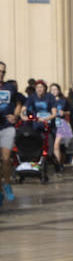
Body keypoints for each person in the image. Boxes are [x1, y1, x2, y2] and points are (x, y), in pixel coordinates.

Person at [0, 61, 23, 201]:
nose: (1, 74)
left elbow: (19, 103)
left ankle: (7, 183)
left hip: (7, 127)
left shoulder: (10, 87)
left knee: (6, 158)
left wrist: (15, 115)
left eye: (3, 71)